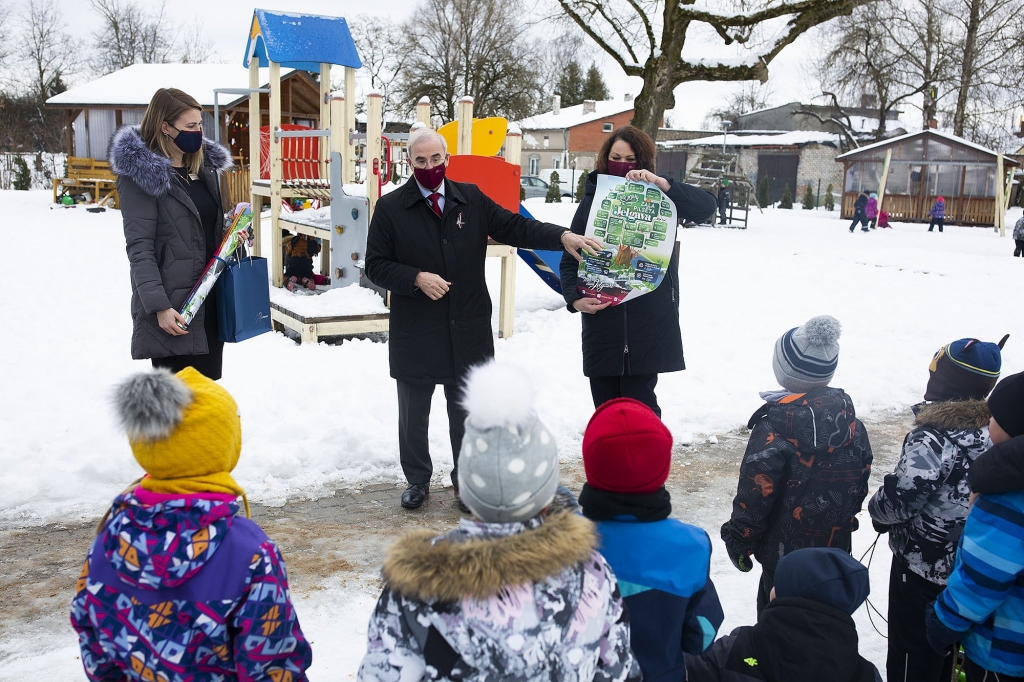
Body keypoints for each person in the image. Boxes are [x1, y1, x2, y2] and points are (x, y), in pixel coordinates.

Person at [356, 361, 641, 682]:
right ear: (548, 490)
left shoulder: (412, 589)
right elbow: (618, 672)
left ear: (469, 484)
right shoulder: (592, 574)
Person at [365, 128, 601, 511]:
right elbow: (375, 264)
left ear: (446, 160)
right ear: (409, 163)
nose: (429, 166)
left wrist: (562, 237)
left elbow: (516, 226)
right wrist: (415, 278)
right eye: (421, 160)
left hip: (467, 327)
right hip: (417, 330)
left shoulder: (470, 199)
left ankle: (466, 482)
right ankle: (417, 480)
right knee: (413, 414)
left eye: (435, 159)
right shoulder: (391, 208)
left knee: (467, 413)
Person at [70, 367, 312, 680]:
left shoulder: (110, 538)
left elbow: (93, 638)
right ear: (223, 445)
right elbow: (272, 665)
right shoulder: (248, 553)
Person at [868, 336, 1007, 682]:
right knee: (952, 647)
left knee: (913, 655)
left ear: (946, 381)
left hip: (922, 569)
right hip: (971, 567)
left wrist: (876, 511)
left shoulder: (933, 437)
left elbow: (902, 499)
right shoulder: (997, 430)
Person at [559, 125, 717, 417]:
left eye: (631, 160)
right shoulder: (593, 201)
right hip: (602, 322)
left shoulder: (662, 198)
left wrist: (662, 184)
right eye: (616, 158)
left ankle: (647, 450)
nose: (622, 165)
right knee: (606, 410)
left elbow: (706, 207)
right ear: (605, 159)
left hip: (649, 319)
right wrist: (574, 299)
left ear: (643, 161)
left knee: (641, 409)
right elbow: (571, 258)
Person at [721, 315, 873, 616]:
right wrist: (845, 519)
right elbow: (860, 483)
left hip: (782, 560)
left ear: (784, 371)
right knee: (825, 619)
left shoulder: (772, 428)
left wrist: (739, 538)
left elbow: (756, 493)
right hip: (833, 553)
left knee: (777, 622)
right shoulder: (853, 426)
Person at [580, 397, 724, 682]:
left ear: (591, 464)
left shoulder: (561, 547)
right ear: (663, 467)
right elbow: (702, 634)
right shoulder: (692, 545)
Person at [110, 88, 233, 380]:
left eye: (200, 124)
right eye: (190, 126)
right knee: (179, 396)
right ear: (165, 127)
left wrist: (232, 229)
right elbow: (139, 248)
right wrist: (159, 306)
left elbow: (202, 228)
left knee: (205, 391)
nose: (198, 132)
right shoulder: (141, 176)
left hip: (208, 300)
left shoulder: (203, 169)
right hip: (175, 307)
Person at [926, 371, 1024, 681]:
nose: (988, 422)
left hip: (1004, 653)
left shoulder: (1007, 498)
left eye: (994, 417)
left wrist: (945, 621)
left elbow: (985, 576)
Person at [685, 547, 882, 682]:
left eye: (778, 583)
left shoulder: (738, 650)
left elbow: (683, 669)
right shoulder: (863, 673)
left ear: (788, 598)